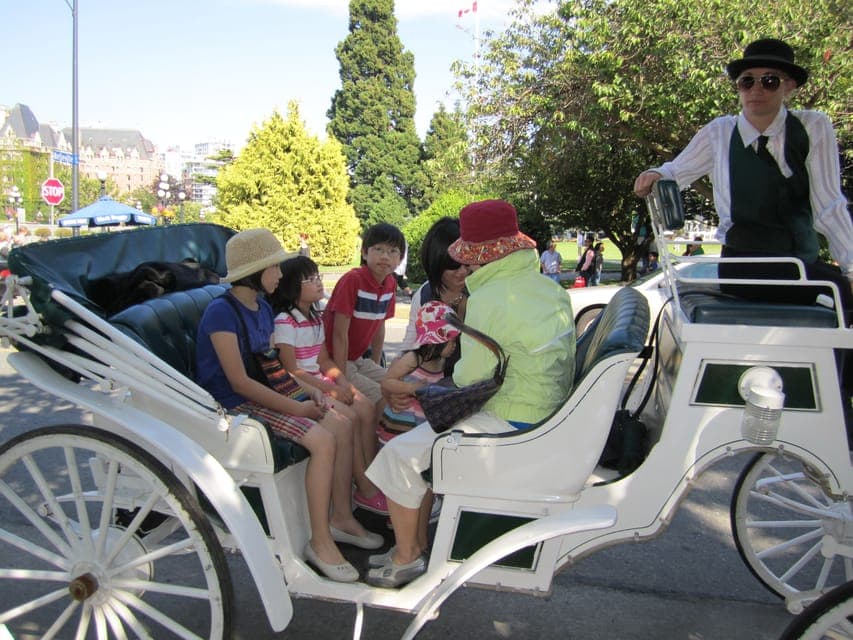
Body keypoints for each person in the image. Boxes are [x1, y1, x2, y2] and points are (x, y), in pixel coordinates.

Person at [364, 199, 576, 588]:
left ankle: (407, 555)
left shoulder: (490, 298)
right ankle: (416, 544)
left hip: (509, 414)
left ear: (480, 255)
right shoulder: (549, 289)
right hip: (545, 409)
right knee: (414, 441)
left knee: (397, 454)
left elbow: (469, 380)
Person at [195, 229, 382, 584]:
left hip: (263, 392)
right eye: (274, 267)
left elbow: (273, 368)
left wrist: (310, 393)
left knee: (342, 424)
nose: (280, 275)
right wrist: (297, 408)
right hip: (232, 405)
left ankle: (341, 516)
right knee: (323, 439)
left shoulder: (261, 306)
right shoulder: (222, 313)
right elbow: (239, 382)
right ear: (255, 272)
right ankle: (320, 541)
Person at [633, 38, 853, 313]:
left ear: (789, 86)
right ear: (738, 87)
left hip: (798, 260)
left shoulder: (812, 127)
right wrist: (655, 173)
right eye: (747, 81)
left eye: (769, 81)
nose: (756, 89)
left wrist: (850, 264)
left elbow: (829, 204)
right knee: (840, 291)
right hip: (744, 263)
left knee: (842, 287)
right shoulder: (721, 132)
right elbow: (676, 170)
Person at [270, 255, 388, 514]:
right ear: (292, 287)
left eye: (318, 277)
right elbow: (293, 370)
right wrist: (331, 389)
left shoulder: (315, 317)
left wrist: (344, 383)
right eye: (310, 279)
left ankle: (370, 476)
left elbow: (323, 359)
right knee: (351, 417)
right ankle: (364, 487)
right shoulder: (285, 322)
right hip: (303, 386)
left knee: (367, 408)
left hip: (321, 381)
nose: (318, 283)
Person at [324, 222, 405, 406]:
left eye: (393, 251)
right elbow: (339, 333)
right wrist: (341, 376)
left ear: (400, 259)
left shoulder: (390, 284)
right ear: (364, 252)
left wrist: (375, 364)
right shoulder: (352, 280)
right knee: (383, 397)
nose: (385, 256)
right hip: (337, 360)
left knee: (399, 387)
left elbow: (379, 327)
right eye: (378, 249)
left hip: (359, 359)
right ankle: (375, 435)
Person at [378, 301, 459, 443]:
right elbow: (387, 381)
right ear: (436, 341)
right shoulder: (414, 358)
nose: (454, 346)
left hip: (420, 422)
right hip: (401, 422)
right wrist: (410, 388)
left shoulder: (441, 361)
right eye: (451, 341)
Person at [401, 217, 469, 364]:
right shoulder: (424, 295)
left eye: (467, 262)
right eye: (454, 264)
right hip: (435, 381)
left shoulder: (481, 292)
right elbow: (411, 343)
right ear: (436, 262)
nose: (463, 271)